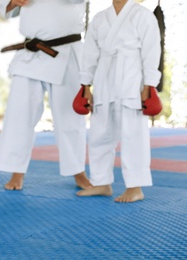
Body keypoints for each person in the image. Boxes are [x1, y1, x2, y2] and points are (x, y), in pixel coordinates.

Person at [0, 0, 91, 190]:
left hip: (66, 51)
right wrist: (12, 2)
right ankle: (16, 172)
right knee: (19, 114)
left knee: (69, 117)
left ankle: (78, 171)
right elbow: (5, 7)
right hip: (30, 53)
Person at [76, 0, 161, 202]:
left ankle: (135, 186)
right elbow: (89, 54)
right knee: (99, 133)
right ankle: (101, 182)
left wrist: (149, 86)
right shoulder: (99, 18)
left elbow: (151, 53)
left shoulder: (143, 16)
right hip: (103, 79)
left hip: (132, 79)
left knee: (133, 134)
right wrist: (85, 85)